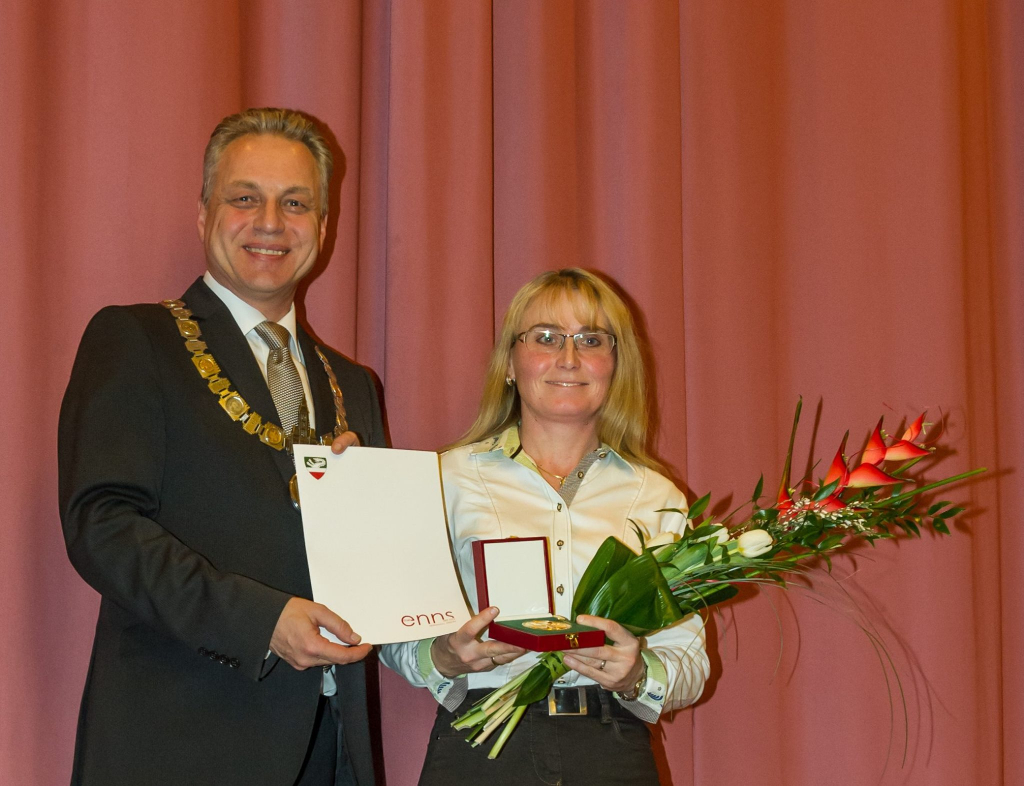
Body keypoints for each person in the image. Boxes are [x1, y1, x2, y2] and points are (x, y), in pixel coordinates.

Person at [58, 108, 385, 786]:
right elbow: (102, 527)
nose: (271, 221)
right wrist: (262, 621)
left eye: (295, 203)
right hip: (179, 747)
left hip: (332, 754)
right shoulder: (135, 342)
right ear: (204, 214)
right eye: (246, 198)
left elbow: (376, 580)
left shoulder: (354, 385)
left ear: (323, 230)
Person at [380, 269, 710, 784]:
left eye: (592, 340)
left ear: (615, 366)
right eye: (546, 337)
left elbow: (690, 660)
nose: (569, 358)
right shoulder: (445, 481)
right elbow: (394, 637)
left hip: (613, 750)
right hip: (480, 748)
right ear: (510, 362)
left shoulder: (657, 498)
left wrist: (639, 672)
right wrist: (443, 655)